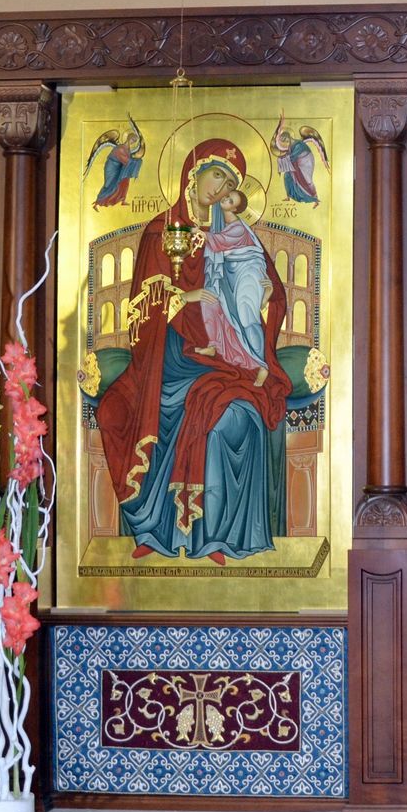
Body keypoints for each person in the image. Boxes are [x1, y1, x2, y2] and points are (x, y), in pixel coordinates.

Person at [93, 139, 293, 564]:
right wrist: (185, 297)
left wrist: (259, 297)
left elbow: (269, 293)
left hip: (224, 359)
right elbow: (140, 310)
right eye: (217, 175)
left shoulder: (234, 234)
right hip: (166, 359)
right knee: (116, 412)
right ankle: (153, 529)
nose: (221, 188)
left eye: (230, 184)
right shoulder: (160, 232)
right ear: (193, 172)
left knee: (238, 419)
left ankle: (216, 537)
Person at [193, 186, 280, 385]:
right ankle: (214, 344)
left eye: (230, 200)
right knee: (211, 298)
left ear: (235, 209)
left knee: (247, 316)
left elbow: (221, 241)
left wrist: (200, 233)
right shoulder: (222, 225)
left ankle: (262, 365)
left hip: (249, 270)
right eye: (226, 196)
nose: (225, 199)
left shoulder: (238, 227)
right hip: (231, 269)